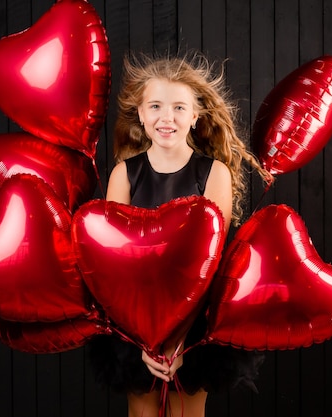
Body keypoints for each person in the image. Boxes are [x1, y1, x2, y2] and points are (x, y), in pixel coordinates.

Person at [88, 51, 273, 417]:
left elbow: (211, 261)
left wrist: (176, 340)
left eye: (178, 107)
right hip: (135, 327)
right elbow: (113, 269)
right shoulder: (124, 175)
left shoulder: (213, 174)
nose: (166, 117)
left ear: (195, 116)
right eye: (155, 106)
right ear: (141, 114)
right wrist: (147, 341)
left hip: (193, 328)